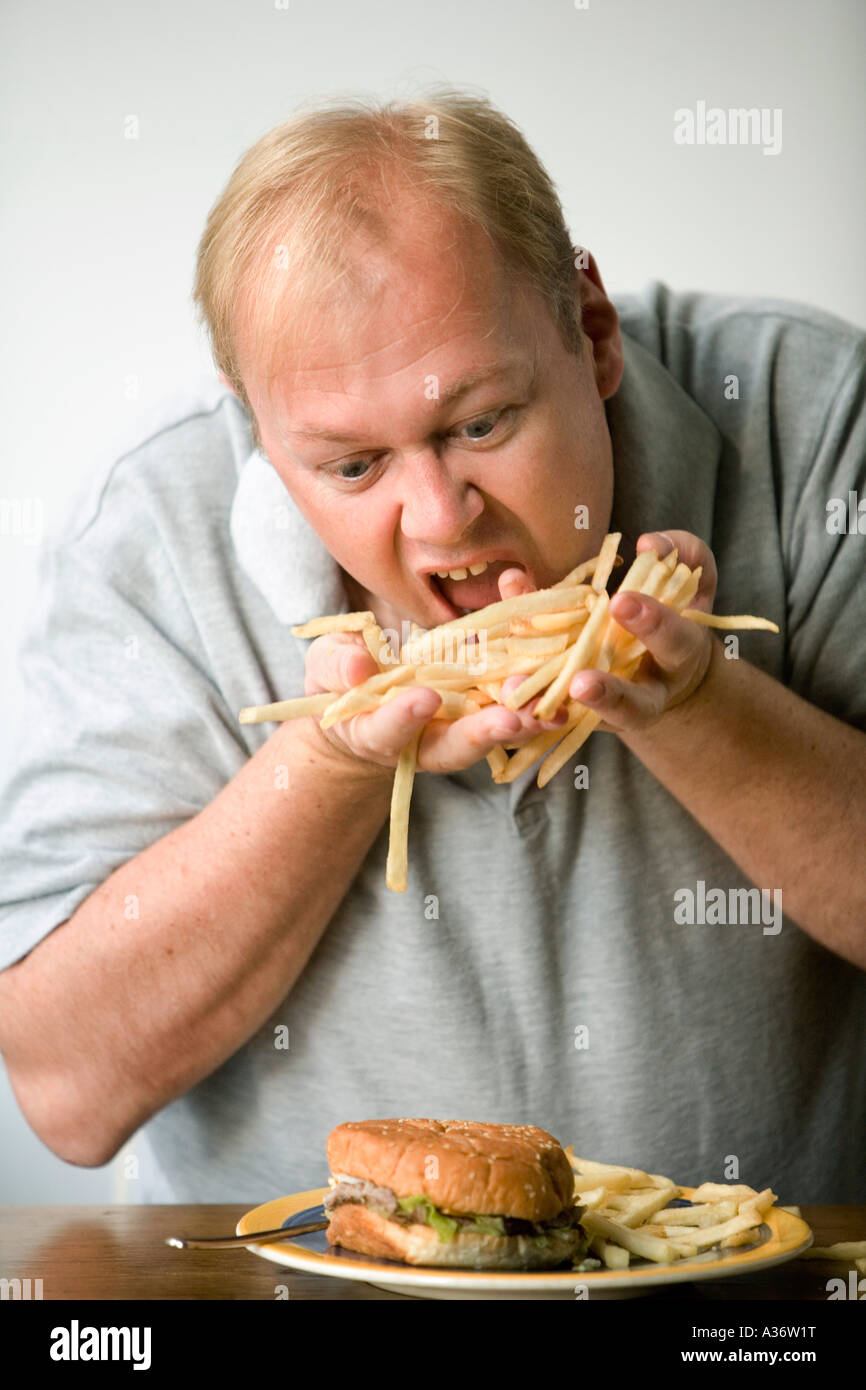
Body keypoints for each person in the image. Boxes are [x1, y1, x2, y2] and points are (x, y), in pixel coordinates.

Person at [0, 90, 864, 1208]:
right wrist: (334, 762)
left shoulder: (812, 419)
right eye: (352, 468)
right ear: (257, 433)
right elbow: (66, 1090)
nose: (440, 520)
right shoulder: (146, 539)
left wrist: (696, 706)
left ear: (590, 331)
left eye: (479, 424)